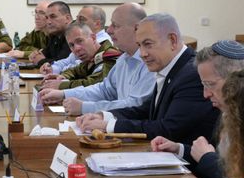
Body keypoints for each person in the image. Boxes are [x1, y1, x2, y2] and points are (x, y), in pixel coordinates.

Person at [75, 13, 220, 145]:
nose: (143, 54)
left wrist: (109, 126)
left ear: (173, 40)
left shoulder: (192, 73)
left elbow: (169, 129)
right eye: (139, 45)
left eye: (148, 44)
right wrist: (104, 116)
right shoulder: (170, 67)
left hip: (192, 169)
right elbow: (145, 110)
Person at [150, 40, 244, 178]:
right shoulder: (227, 113)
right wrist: (180, 149)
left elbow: (229, 176)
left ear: (234, 81)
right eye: (203, 85)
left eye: (210, 84)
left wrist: (206, 157)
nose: (205, 95)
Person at [40, 3, 154, 115]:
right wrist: (63, 94)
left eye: (115, 25)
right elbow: (104, 90)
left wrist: (85, 107)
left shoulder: (150, 62)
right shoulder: (124, 59)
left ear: (137, 28)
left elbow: (135, 105)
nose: (109, 30)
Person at [40, 22, 120, 90]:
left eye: (80, 41)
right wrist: (62, 77)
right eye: (71, 45)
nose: (76, 48)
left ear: (93, 38)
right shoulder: (93, 57)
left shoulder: (110, 57)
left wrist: (61, 85)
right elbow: (74, 70)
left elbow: (92, 84)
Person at [40, 5, 112, 75]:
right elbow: (68, 61)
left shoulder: (102, 43)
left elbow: (79, 66)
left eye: (81, 19)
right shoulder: (78, 38)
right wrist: (51, 68)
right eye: (77, 19)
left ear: (97, 24)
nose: (76, 23)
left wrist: (58, 70)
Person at [29, 1, 72, 67]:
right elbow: (45, 54)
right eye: (47, 18)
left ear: (67, 18)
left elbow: (62, 63)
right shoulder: (55, 34)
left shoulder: (73, 34)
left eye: (53, 16)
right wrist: (35, 55)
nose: (48, 22)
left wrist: (41, 61)